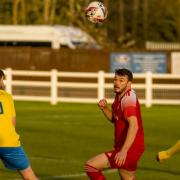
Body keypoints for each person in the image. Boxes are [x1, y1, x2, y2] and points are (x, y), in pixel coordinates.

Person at [85, 68, 145, 180]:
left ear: (129, 83)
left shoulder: (128, 98)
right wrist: (104, 108)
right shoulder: (119, 96)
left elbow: (134, 125)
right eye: (115, 79)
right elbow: (114, 118)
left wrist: (124, 151)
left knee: (91, 166)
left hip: (129, 149)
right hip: (128, 147)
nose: (117, 83)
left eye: (121, 80)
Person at [0, 69, 38, 180]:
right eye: (2, 79)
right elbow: (13, 123)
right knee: (28, 174)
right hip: (9, 142)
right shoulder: (7, 97)